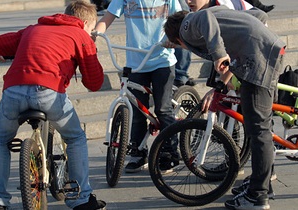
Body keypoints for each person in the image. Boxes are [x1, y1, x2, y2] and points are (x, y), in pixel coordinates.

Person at [164, 6, 285, 210]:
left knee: (259, 131)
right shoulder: (221, 14)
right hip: (267, 52)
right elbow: (259, 15)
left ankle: (258, 197)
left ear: (179, 39)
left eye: (180, 46)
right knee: (258, 127)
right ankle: (262, 184)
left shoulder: (187, 25)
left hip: (258, 60)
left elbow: (203, 17)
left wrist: (219, 54)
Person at [0, 1, 106, 210]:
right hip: (48, 92)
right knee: (75, 137)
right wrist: (90, 48)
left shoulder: (34, 28)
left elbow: (1, 43)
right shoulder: (80, 35)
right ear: (84, 23)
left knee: (0, 140)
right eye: (92, 29)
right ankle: (82, 199)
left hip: (13, 90)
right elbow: (94, 83)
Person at [94, 0, 182, 173]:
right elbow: (108, 17)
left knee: (163, 109)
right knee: (136, 110)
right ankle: (138, 152)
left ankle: (170, 151)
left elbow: (178, 19)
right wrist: (95, 34)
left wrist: (173, 39)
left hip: (162, 59)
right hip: (136, 61)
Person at [173, 0, 254, 87]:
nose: (188, 2)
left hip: (252, 38)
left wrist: (223, 81)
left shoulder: (225, 7)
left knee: (235, 85)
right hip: (234, 42)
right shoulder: (198, 11)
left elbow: (237, 50)